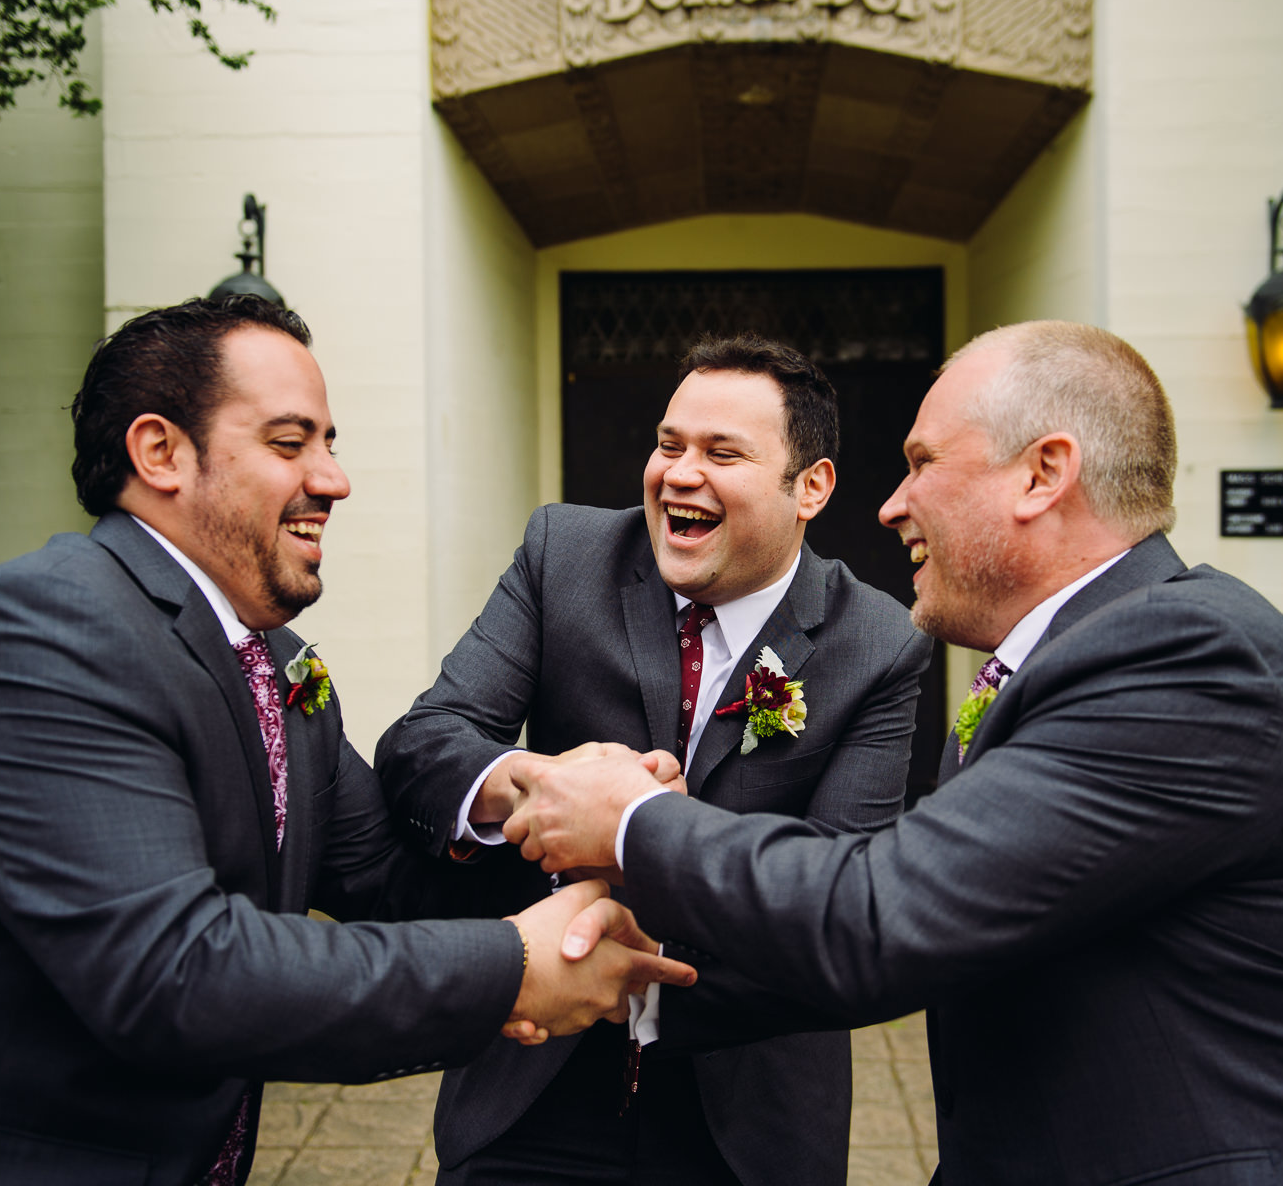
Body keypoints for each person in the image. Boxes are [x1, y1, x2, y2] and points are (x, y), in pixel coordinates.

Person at [504, 320, 1283, 1185]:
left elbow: (883, 912)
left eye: (920, 465)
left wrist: (630, 818)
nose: (890, 505)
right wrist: (594, 985)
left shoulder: (1191, 655)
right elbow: (950, 937)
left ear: (1044, 473)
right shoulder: (1075, 663)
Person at [0, 296, 692, 1186]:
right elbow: (175, 972)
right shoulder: (45, 626)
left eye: (330, 444)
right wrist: (515, 970)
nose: (333, 479)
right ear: (160, 453)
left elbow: (388, 878)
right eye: (290, 443)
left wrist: (599, 846)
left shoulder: (279, 666)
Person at [374, 333, 932, 1185]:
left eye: (722, 453)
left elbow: (839, 889)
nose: (678, 473)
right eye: (669, 444)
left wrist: (645, 927)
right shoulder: (563, 556)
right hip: (534, 1077)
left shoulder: (878, 642)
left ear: (810, 487)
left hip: (745, 1107)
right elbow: (424, 744)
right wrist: (532, 784)